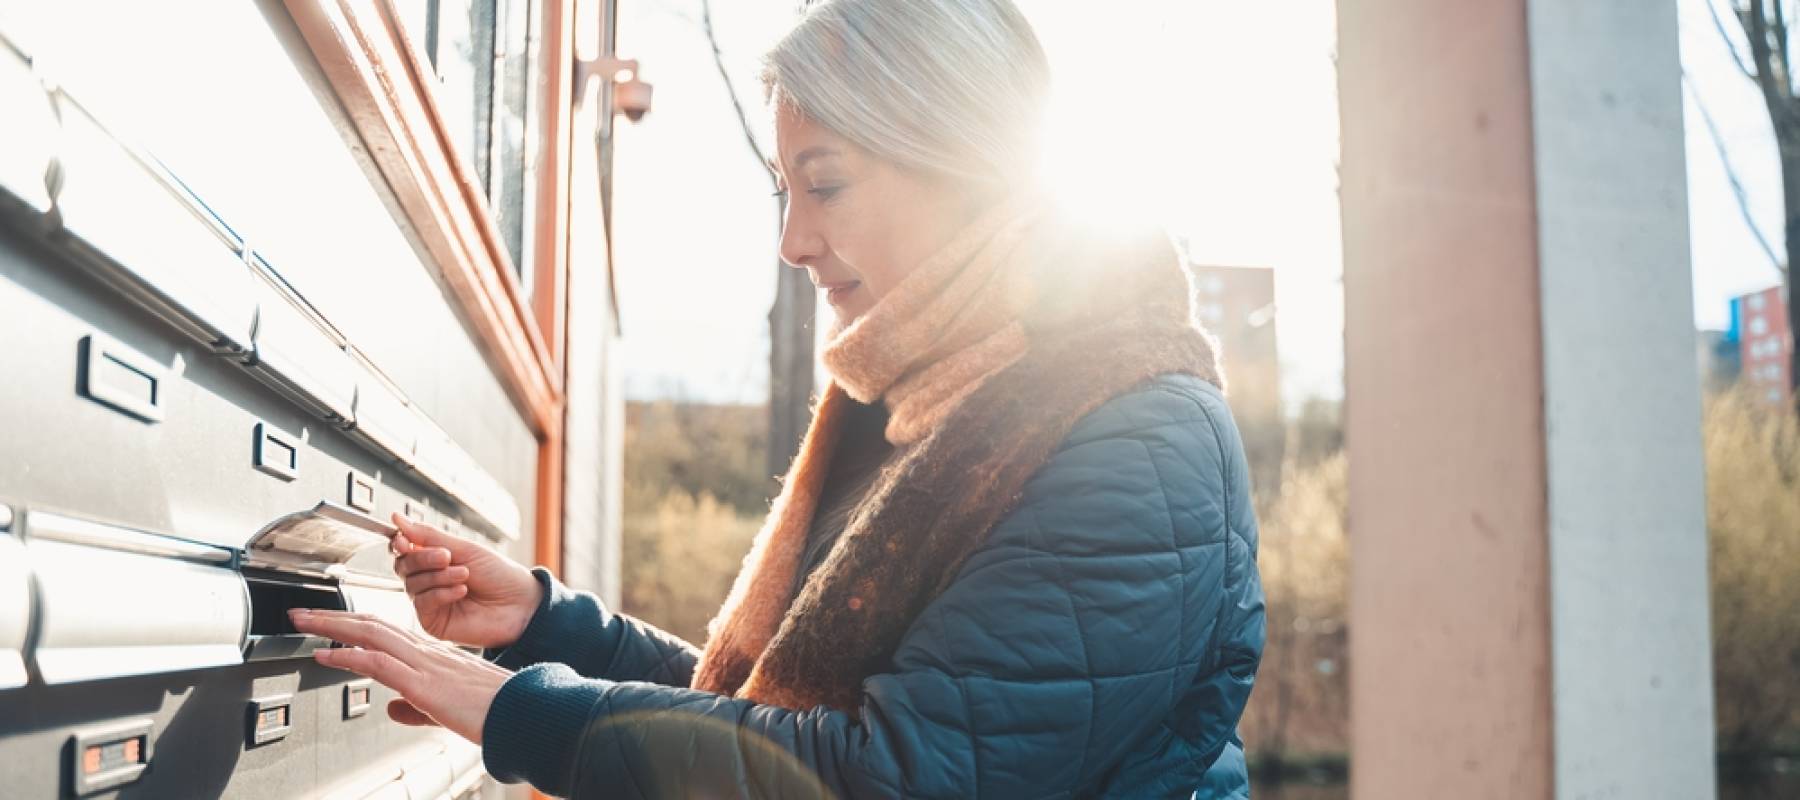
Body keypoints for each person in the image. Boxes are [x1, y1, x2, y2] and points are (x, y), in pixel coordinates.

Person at [288, 0, 1265, 796]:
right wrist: (548, 625)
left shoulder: (1136, 439)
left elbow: (881, 776)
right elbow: (781, 713)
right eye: (780, 193)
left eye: (825, 185)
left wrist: (516, 711)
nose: (793, 241)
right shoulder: (924, 409)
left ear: (969, 167)